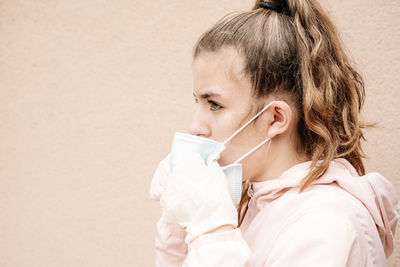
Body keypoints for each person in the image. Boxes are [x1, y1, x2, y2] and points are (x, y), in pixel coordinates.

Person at [149, 0, 400, 266]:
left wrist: (213, 234)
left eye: (214, 104)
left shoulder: (326, 225)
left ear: (275, 118)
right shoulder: (253, 205)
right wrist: (178, 222)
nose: (195, 126)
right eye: (197, 103)